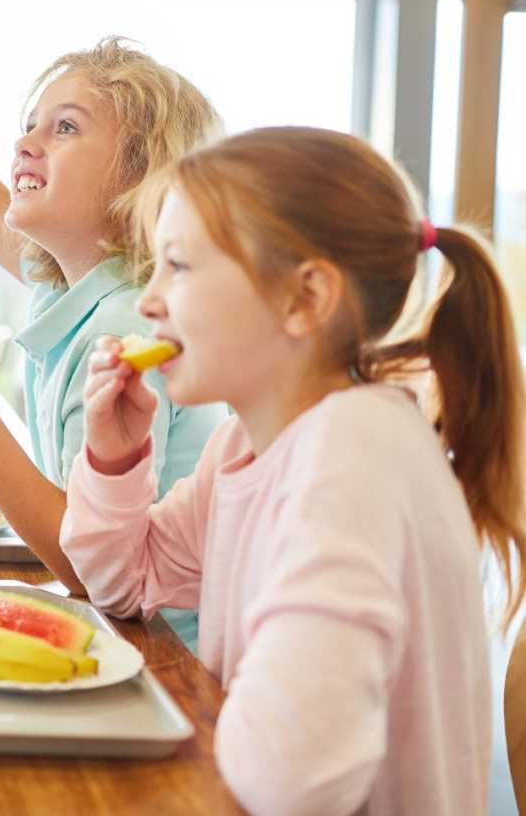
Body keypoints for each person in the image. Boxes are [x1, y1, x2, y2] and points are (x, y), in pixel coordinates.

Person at [62, 127, 519, 814]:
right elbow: (125, 583)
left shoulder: (353, 452)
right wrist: (115, 458)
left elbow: (287, 775)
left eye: (178, 266)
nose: (149, 300)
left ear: (304, 299)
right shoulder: (248, 445)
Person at [0, 0, 226, 648]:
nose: (25, 140)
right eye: (30, 122)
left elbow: (88, 570)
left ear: (138, 178)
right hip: (130, 639)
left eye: (66, 128)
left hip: (171, 660)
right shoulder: (68, 278)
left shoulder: (125, 327)